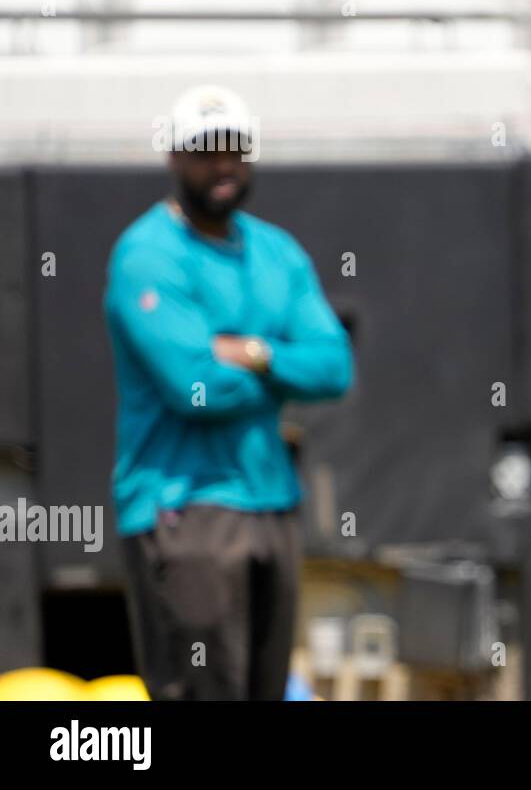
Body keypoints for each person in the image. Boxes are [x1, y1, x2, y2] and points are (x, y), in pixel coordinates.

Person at [103, 85, 353, 699]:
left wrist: (252, 351)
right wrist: (275, 371)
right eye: (204, 150)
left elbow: (333, 368)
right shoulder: (147, 255)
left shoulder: (276, 251)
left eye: (235, 149)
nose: (223, 164)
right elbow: (194, 390)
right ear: (173, 158)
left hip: (270, 503)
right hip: (185, 508)